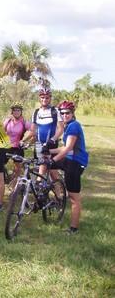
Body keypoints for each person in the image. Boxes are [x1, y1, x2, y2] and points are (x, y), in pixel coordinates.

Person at [42, 100, 88, 235]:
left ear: (73, 113)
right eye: (62, 113)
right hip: (68, 159)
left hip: (76, 162)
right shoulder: (67, 126)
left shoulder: (74, 126)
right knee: (46, 163)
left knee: (74, 198)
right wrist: (49, 152)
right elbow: (64, 147)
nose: (64, 115)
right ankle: (56, 186)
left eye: (67, 113)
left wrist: (54, 159)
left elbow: (68, 148)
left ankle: (73, 228)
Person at [25, 88, 64, 179]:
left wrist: (52, 140)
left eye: (47, 98)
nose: (44, 100)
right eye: (42, 97)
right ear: (39, 98)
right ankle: (41, 189)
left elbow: (61, 129)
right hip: (39, 144)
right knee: (40, 168)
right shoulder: (36, 112)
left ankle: (59, 193)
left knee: (53, 172)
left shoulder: (55, 111)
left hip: (51, 144)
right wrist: (24, 141)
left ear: (50, 98)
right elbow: (33, 130)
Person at [3, 103, 32, 177]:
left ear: (21, 112)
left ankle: (14, 186)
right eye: (14, 110)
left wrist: (24, 140)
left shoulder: (24, 122)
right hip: (6, 146)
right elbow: (1, 131)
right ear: (12, 112)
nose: (16, 112)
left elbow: (34, 131)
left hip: (17, 148)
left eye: (18, 110)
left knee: (17, 169)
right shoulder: (8, 121)